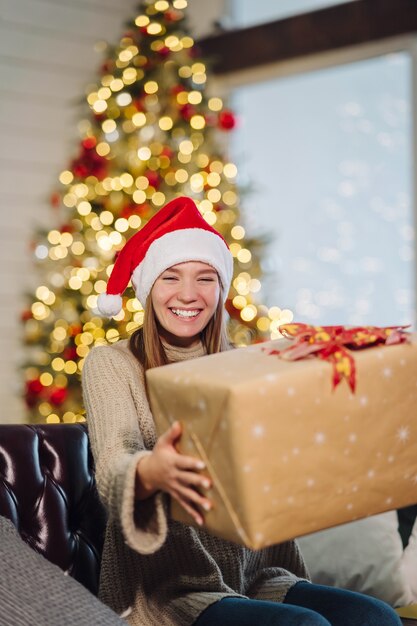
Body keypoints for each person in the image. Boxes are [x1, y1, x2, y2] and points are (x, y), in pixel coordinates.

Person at [82, 196, 402, 626]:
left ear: (222, 288)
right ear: (148, 286)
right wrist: (151, 471)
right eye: (170, 277)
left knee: (375, 617)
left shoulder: (246, 364)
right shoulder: (112, 364)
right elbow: (111, 466)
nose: (189, 294)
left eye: (206, 278)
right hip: (168, 593)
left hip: (259, 578)